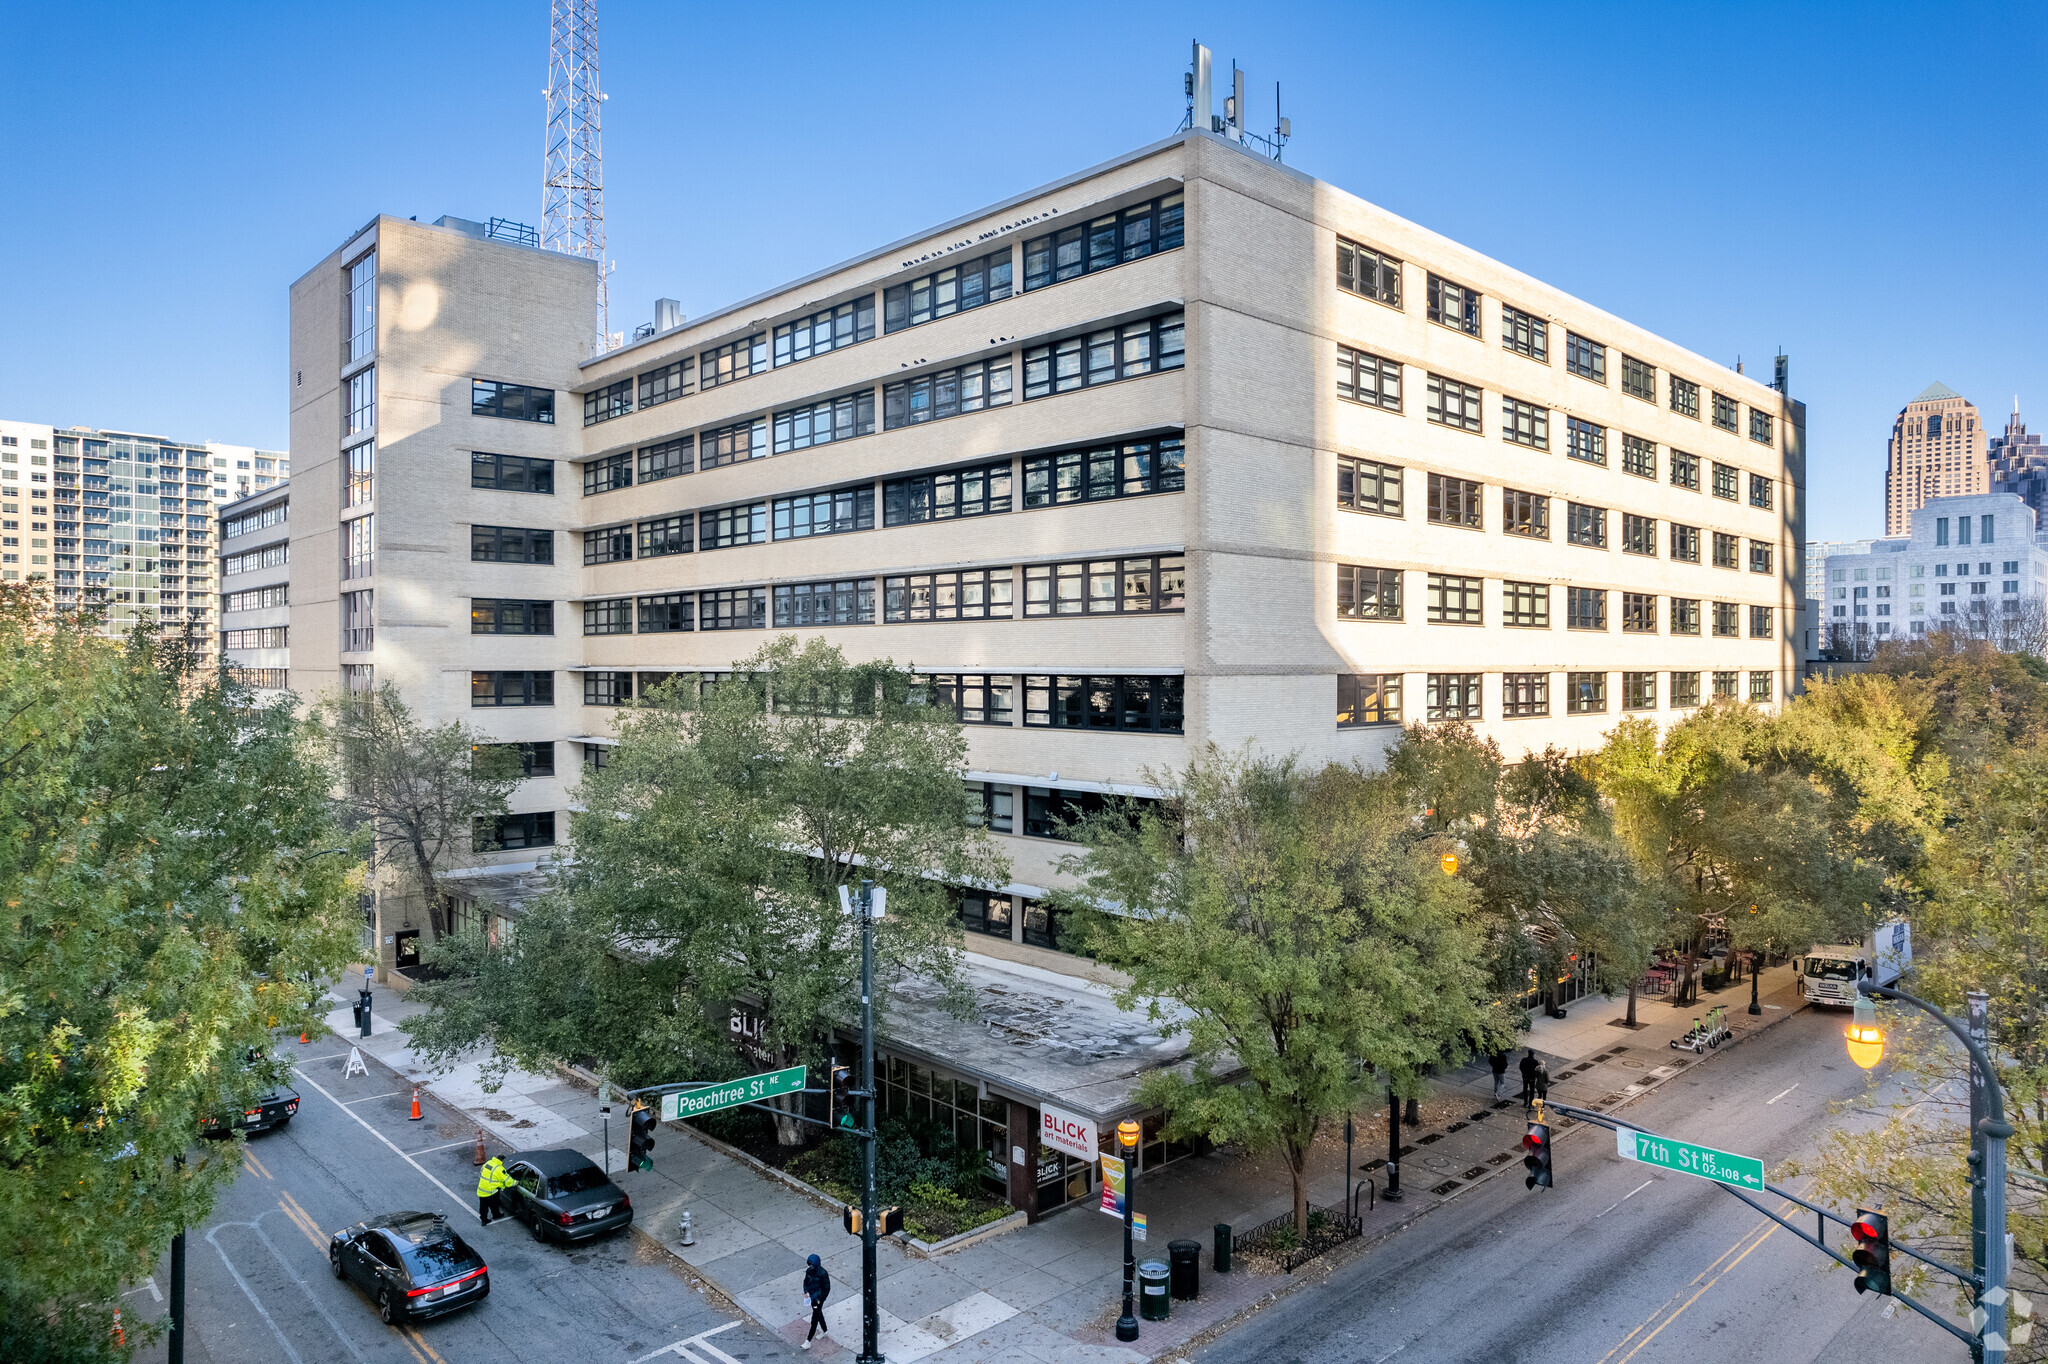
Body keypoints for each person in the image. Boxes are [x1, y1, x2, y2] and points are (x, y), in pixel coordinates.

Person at [801, 1254, 831, 1351]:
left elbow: (826, 1289)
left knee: (814, 1320)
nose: (811, 1267)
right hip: (812, 1297)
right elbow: (805, 1282)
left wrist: (820, 1299)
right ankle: (825, 1330)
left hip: (818, 1299)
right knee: (818, 1314)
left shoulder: (823, 1273)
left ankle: (808, 1341)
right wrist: (806, 1291)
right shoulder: (809, 1271)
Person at [476, 1156, 513, 1226]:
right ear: (502, 1161)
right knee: (494, 1204)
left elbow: (481, 1173)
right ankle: (496, 1215)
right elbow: (508, 1181)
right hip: (492, 1191)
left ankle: (484, 1220)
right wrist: (515, 1182)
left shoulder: (488, 1163)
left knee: (483, 1206)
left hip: (482, 1189)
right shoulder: (499, 1168)